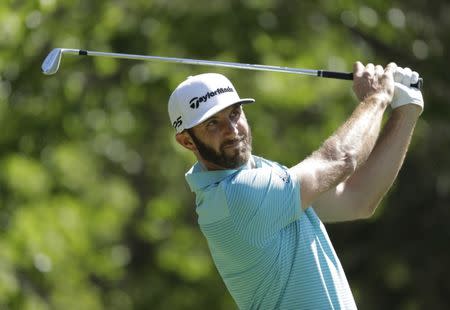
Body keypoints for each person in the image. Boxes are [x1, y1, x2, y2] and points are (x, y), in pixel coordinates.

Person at [167, 62, 424, 309]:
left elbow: (357, 199)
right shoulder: (233, 197)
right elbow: (341, 159)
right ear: (187, 141)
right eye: (212, 123)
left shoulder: (262, 176)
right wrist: (377, 98)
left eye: (235, 114)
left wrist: (407, 108)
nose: (232, 130)